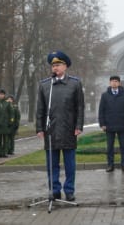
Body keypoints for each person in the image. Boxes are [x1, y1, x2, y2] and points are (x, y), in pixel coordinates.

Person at [36, 50, 84, 202]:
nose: (55, 68)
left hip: (69, 129)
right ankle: (54, 190)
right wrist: (39, 128)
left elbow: (80, 107)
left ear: (65, 66)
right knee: (52, 164)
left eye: (58, 65)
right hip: (51, 131)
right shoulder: (44, 85)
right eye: (53, 65)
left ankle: (69, 190)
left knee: (70, 164)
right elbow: (40, 109)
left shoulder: (75, 84)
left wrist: (78, 126)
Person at [98, 75, 124, 172]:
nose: (114, 83)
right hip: (109, 125)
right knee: (109, 147)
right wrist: (102, 124)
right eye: (112, 81)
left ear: (119, 83)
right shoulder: (105, 95)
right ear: (110, 83)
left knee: (123, 147)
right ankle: (110, 165)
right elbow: (101, 110)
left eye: (116, 81)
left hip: (122, 125)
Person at [0, 89, 11, 158]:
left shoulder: (7, 103)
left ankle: (4, 152)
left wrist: (10, 122)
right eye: (0, 94)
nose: (1, 95)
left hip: (5, 124)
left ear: (4, 95)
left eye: (2, 94)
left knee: (5, 139)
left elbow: (11, 113)